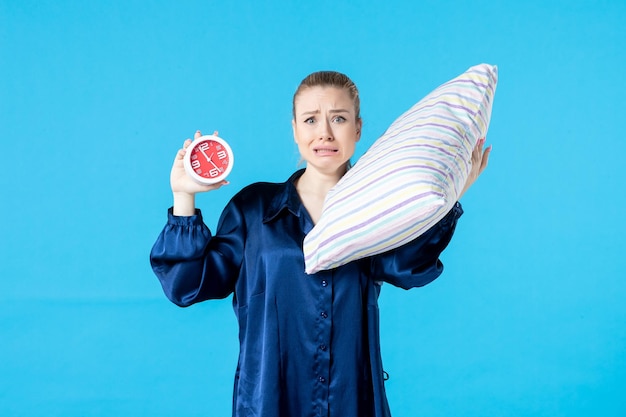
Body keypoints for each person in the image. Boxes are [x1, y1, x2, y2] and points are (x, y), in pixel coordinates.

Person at [150, 71, 490, 417]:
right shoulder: (253, 208)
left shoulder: (378, 208)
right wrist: (183, 195)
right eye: (311, 119)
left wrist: (447, 199)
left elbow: (406, 268)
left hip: (351, 399)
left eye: (338, 118)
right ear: (295, 129)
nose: (324, 132)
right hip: (269, 400)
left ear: (357, 129)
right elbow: (187, 286)